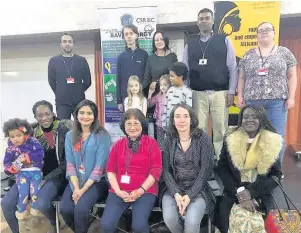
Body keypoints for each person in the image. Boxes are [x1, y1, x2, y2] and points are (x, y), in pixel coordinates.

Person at [1, 100, 71, 233]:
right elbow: (13, 154)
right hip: (28, 175)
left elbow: (66, 163)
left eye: (47, 114)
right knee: (6, 203)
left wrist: (46, 178)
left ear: (53, 113)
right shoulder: (28, 134)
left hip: (55, 177)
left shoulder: (64, 131)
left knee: (41, 203)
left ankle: (53, 222)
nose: (44, 118)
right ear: (35, 117)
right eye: (40, 115)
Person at [237, 22, 297, 164]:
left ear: (274, 33)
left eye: (267, 30)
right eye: (260, 30)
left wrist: (292, 97)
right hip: (253, 102)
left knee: (276, 136)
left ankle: (274, 171)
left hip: (277, 101)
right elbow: (241, 77)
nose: (264, 32)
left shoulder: (284, 52)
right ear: (257, 35)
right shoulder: (248, 55)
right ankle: (255, 167)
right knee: (252, 136)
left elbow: (292, 75)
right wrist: (239, 95)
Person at [216, 105, 282, 233]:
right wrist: (240, 192)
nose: (249, 120)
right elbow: (222, 168)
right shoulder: (231, 139)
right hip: (235, 192)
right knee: (236, 219)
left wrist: (251, 193)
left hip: (260, 193)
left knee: (251, 221)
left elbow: (276, 176)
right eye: (245, 117)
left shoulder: (271, 142)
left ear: (261, 119)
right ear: (241, 119)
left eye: (254, 117)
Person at [182, 8, 237, 158]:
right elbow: (184, 70)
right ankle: (203, 161)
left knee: (221, 129)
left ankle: (220, 162)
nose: (204, 21)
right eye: (201, 18)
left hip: (220, 93)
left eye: (207, 18)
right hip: (197, 94)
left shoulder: (223, 40)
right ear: (197, 22)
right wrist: (186, 94)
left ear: (212, 22)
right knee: (199, 130)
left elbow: (232, 67)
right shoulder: (190, 45)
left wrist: (232, 91)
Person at [101, 108, 162, 233]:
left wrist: (140, 191)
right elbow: (110, 170)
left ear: (142, 125)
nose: (132, 127)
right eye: (128, 124)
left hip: (145, 191)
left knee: (139, 227)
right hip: (119, 191)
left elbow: (156, 170)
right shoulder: (118, 145)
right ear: (124, 126)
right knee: (106, 225)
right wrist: (118, 191)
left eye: (136, 123)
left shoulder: (151, 143)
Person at [160, 103, 215, 233]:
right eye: (177, 116)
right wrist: (176, 194)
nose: (182, 120)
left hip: (198, 189)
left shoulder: (203, 138)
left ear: (192, 120)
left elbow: (205, 172)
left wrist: (190, 195)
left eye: (186, 116)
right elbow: (166, 171)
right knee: (169, 219)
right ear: (173, 121)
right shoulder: (169, 139)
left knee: (191, 222)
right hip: (173, 189)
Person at [59, 100, 110, 233]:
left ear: (94, 116)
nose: (85, 116)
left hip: (96, 182)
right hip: (76, 181)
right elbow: (70, 164)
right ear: (76, 115)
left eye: (89, 113)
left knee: (81, 209)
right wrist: (76, 188)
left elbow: (100, 166)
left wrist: (82, 190)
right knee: (65, 209)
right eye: (82, 112)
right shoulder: (70, 135)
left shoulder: (102, 135)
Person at [3, 118, 44, 233]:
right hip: (22, 174)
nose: (15, 139)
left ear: (25, 133)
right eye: (12, 136)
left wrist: (27, 158)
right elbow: (6, 162)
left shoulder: (34, 142)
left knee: (35, 192)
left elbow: (40, 155)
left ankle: (36, 209)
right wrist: (9, 169)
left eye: (18, 135)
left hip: (35, 172)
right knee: (23, 193)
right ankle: (21, 212)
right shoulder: (10, 149)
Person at [48, 33, 92, 119]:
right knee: (63, 127)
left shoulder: (81, 60)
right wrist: (61, 91)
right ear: (61, 45)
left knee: (80, 127)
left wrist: (78, 89)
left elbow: (88, 81)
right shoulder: (53, 61)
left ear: (73, 44)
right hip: (62, 102)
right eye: (64, 42)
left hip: (79, 101)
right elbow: (51, 81)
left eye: (70, 42)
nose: (67, 44)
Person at [116, 25, 148, 112]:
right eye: (126, 34)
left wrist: (139, 91)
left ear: (136, 35)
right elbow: (118, 79)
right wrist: (119, 101)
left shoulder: (144, 55)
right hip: (126, 98)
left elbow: (147, 76)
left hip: (140, 97)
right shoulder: (120, 57)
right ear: (124, 37)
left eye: (131, 33)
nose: (129, 36)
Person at [142, 31, 178, 97]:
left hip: (169, 95)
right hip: (154, 95)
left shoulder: (172, 57)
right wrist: (138, 90)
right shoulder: (150, 59)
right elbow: (146, 79)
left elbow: (175, 77)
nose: (159, 42)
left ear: (165, 40)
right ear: (154, 42)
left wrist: (157, 81)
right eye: (156, 40)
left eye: (161, 39)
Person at [163, 62, 192, 128]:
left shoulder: (187, 92)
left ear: (180, 77)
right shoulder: (170, 90)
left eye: (172, 76)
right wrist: (164, 123)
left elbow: (188, 110)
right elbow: (165, 107)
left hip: (181, 126)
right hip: (169, 125)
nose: (170, 78)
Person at [148, 74, 171, 149]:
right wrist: (150, 93)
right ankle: (160, 158)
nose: (162, 87)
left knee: (169, 144)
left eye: (165, 85)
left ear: (169, 85)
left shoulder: (172, 96)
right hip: (159, 123)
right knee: (160, 144)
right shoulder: (158, 96)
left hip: (169, 124)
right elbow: (150, 104)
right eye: (161, 85)